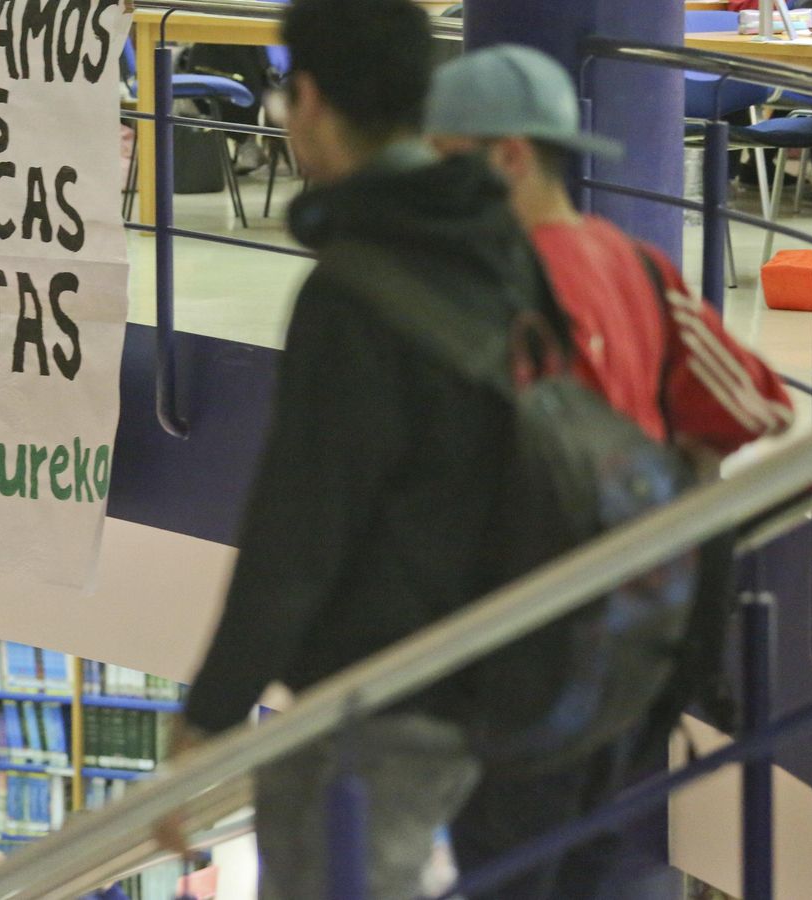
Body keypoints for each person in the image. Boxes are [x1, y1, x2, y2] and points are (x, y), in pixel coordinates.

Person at [160, 0, 567, 896]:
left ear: (307, 98)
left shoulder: (351, 292)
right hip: (498, 662)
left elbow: (297, 530)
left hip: (383, 690)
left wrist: (210, 716)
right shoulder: (500, 240)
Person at [424, 44, 794, 898]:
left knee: (508, 868)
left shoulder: (482, 294)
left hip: (518, 657)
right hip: (632, 646)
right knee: (589, 857)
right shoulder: (633, 264)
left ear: (508, 156)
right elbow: (757, 405)